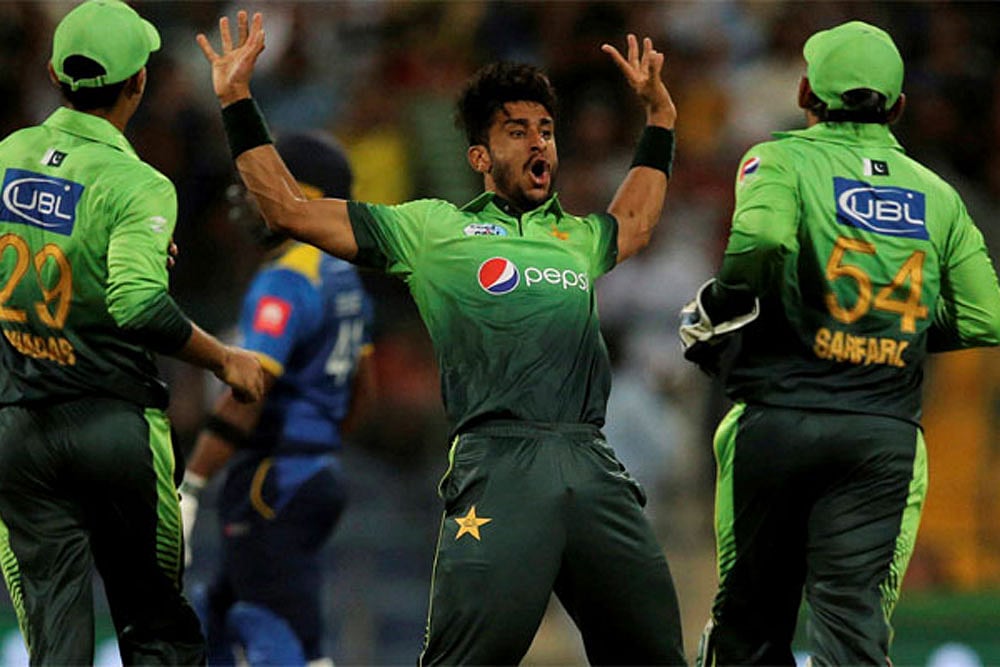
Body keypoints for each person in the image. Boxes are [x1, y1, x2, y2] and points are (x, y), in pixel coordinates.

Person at [197, 10, 686, 666]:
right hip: (499, 465)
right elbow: (287, 208)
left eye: (546, 130)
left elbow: (637, 219)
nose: (539, 144)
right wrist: (236, 100)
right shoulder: (432, 230)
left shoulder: (577, 235)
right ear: (480, 156)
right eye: (518, 131)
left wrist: (660, 119)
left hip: (594, 462)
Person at [678, 20, 1000, 666]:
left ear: (805, 94)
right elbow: (984, 316)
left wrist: (726, 305)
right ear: (898, 107)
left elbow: (762, 240)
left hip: (778, 420)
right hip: (881, 436)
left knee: (750, 620)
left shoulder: (780, 161)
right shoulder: (938, 195)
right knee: (852, 625)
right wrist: (889, 330)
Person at [0, 1, 266, 665]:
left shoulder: (6, 156)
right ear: (138, 83)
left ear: (55, 76)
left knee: (54, 642)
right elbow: (139, 305)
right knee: (158, 635)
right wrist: (224, 359)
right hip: (113, 429)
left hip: (19, 428)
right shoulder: (137, 184)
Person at [179, 130, 376, 666]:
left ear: (302, 195)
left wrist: (193, 483)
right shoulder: (345, 275)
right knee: (219, 614)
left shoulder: (287, 279)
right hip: (314, 473)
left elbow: (249, 390)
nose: (247, 197)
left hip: (274, 477)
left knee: (274, 631)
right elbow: (365, 387)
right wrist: (319, 444)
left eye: (258, 185)